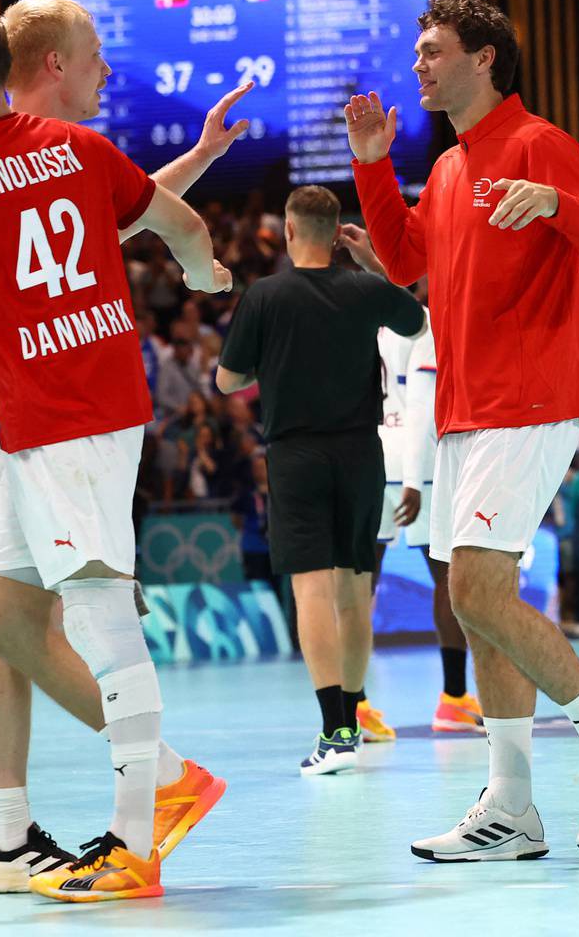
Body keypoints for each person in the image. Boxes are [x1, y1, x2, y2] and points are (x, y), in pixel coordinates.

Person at [0, 0, 242, 897]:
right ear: (44, 65)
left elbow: (133, 204)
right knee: (19, 616)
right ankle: (49, 818)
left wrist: (203, 170)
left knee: (22, 615)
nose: (105, 70)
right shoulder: (51, 152)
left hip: (38, 404)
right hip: (8, 400)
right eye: (96, 54)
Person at [348, 0, 579, 862]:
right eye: (418, 52)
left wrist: (554, 204)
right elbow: (407, 261)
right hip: (463, 410)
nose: (419, 65)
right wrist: (373, 166)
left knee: (479, 592)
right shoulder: (449, 167)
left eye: (434, 50)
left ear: (485, 58)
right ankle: (513, 806)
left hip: (529, 399)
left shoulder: (539, 143)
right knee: (473, 605)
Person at [214, 185, 425, 774]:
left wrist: (270, 361)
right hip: (362, 453)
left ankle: (334, 732)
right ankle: (354, 715)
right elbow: (416, 321)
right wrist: (373, 266)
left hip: (296, 456)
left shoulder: (264, 296)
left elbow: (228, 382)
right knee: (356, 590)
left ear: (286, 232)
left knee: (312, 591)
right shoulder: (364, 288)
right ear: (338, 236)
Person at [363, 268, 482, 734]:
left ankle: (355, 706)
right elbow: (419, 407)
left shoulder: (364, 325)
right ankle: (453, 699)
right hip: (418, 468)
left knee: (360, 584)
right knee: (446, 579)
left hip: (371, 457)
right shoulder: (426, 324)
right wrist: (414, 478)